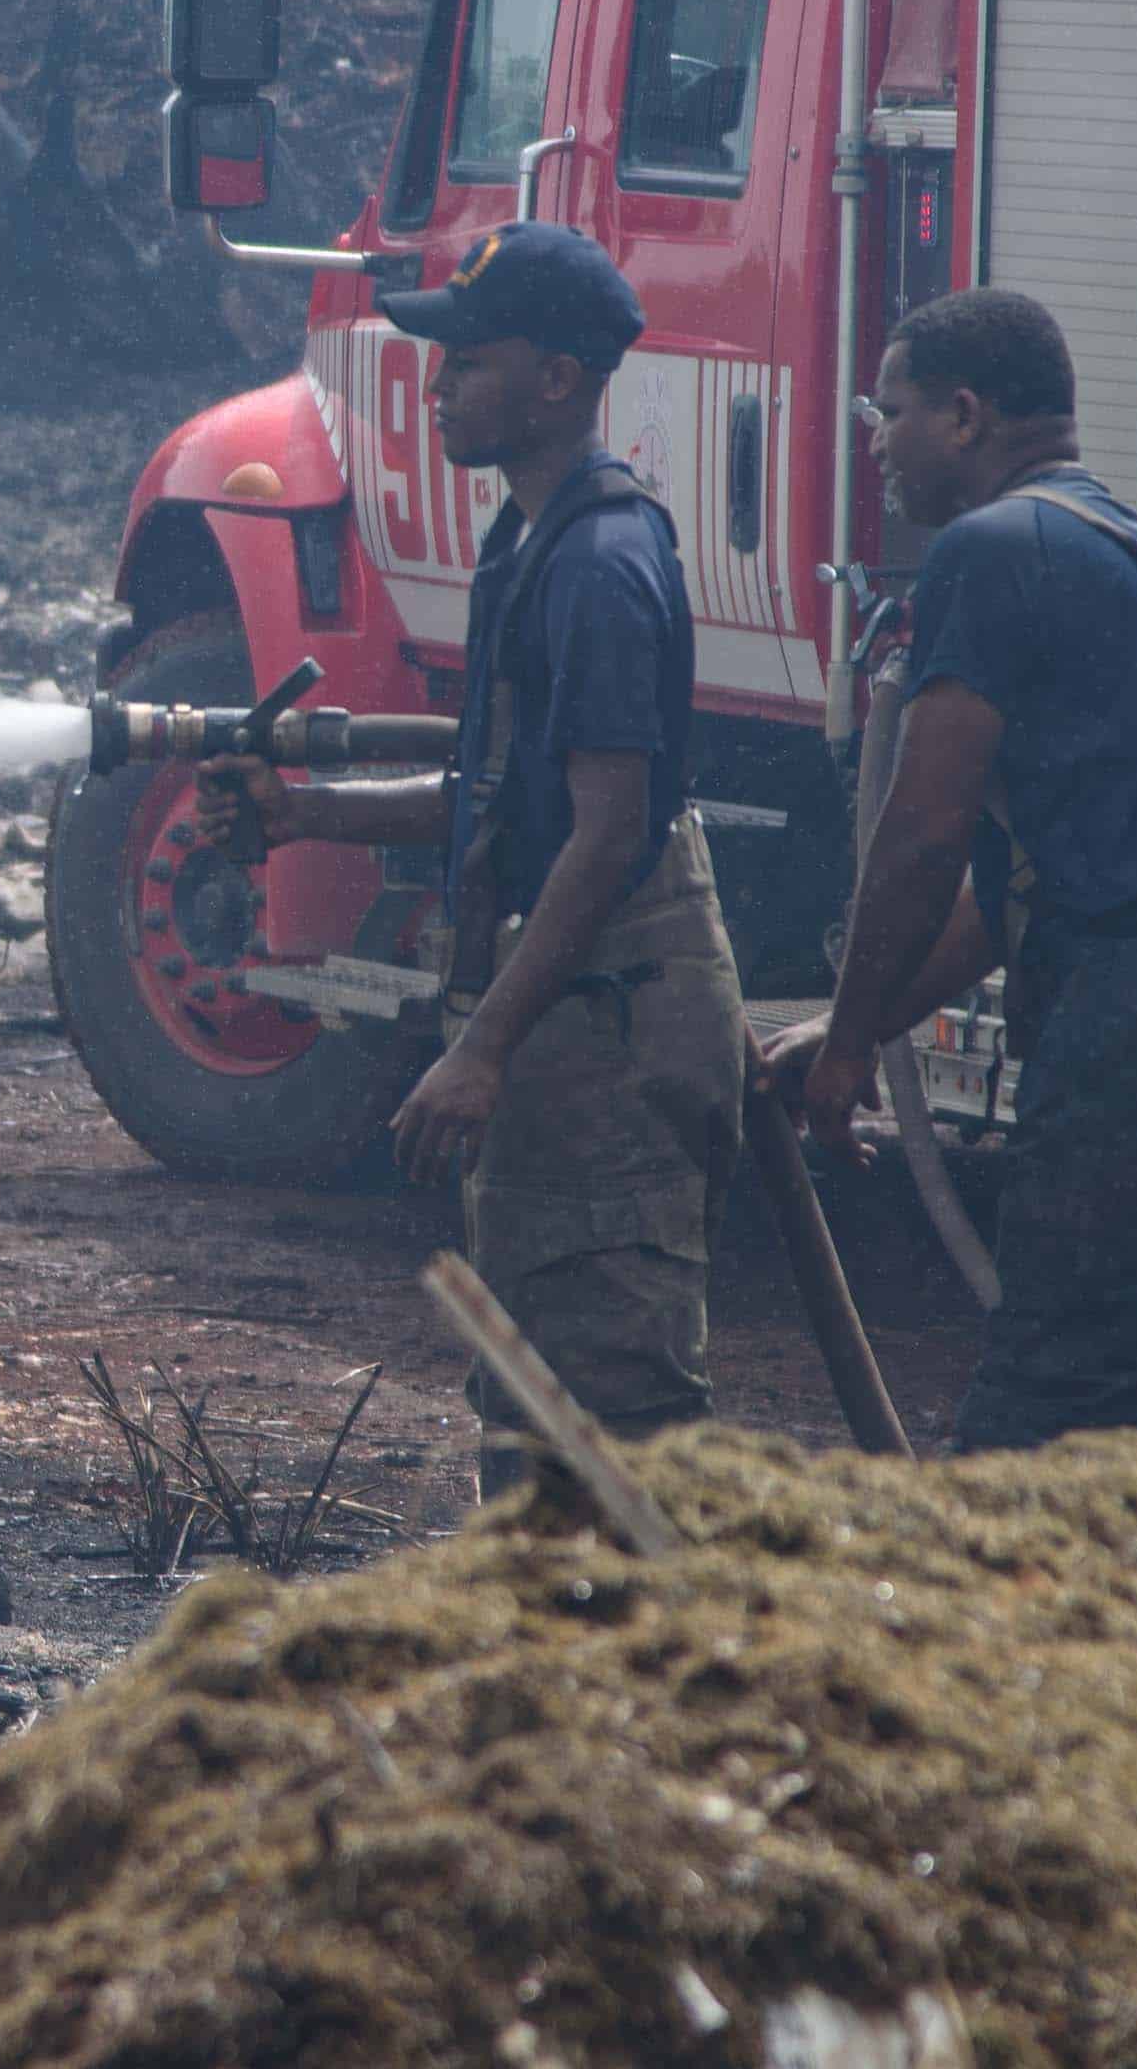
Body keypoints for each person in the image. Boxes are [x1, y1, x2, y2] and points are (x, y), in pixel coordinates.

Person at [213, 220, 743, 1489]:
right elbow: (498, 793)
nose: (437, 386)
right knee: (531, 1394)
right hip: (574, 1021)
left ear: (558, 381)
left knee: (609, 1413)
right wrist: (304, 814)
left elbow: (607, 834)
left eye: (470, 363)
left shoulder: (601, 565)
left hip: (607, 1028)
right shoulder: (531, 539)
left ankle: (646, 1666)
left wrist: (481, 1047)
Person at [759, 286, 1137, 1448]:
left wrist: (850, 1051)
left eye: (885, 411)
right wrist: (852, 1018)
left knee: (1046, 1414)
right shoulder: (1114, 537)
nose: (875, 442)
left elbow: (923, 829)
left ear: (960, 414)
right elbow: (1010, 896)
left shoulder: (989, 548)